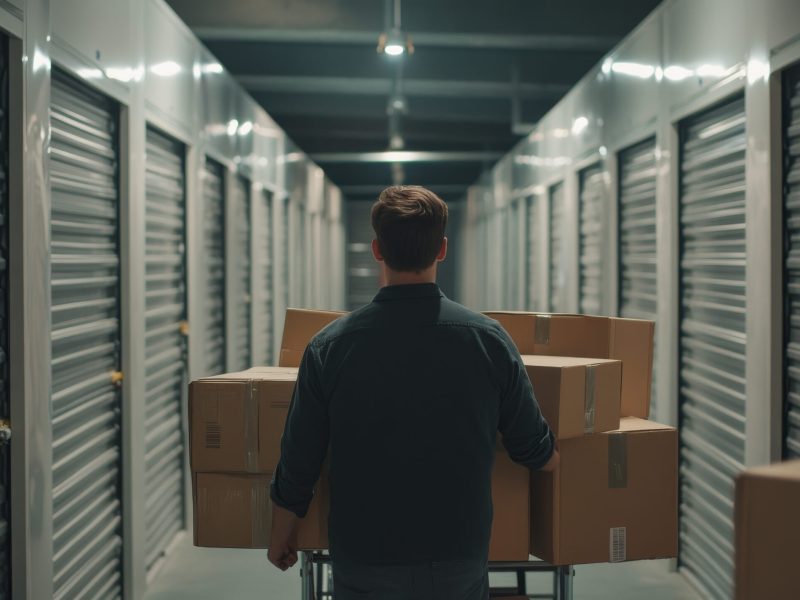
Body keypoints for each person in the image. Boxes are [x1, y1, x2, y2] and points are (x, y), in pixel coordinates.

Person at [268, 185, 558, 599]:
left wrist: (281, 532)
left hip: (365, 554)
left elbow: (299, 456)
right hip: (456, 554)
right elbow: (534, 450)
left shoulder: (329, 347)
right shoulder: (488, 341)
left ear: (376, 250)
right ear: (441, 249)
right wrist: (559, 457)